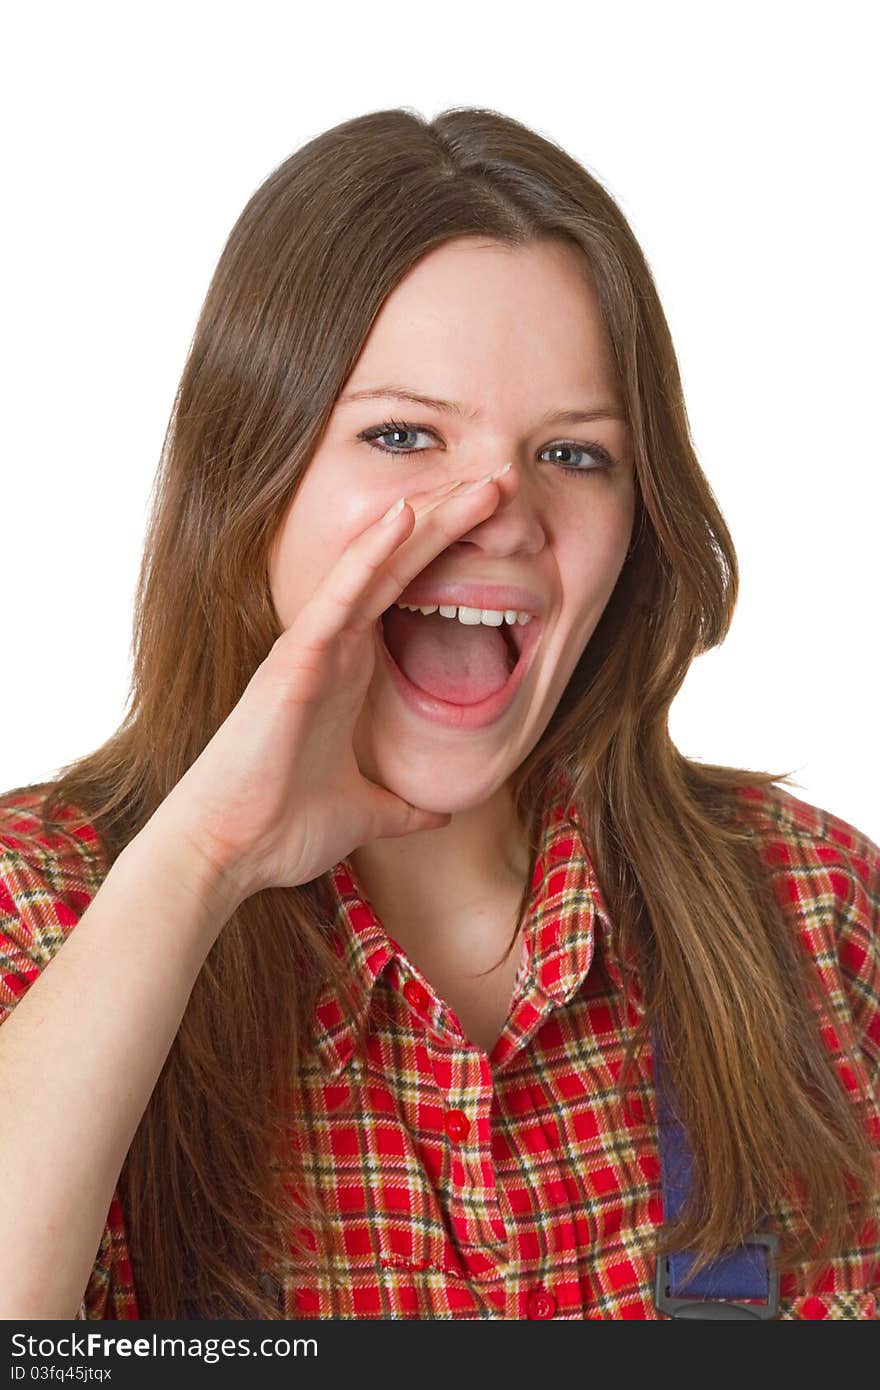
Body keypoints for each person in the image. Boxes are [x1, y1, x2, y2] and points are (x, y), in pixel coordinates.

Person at [1, 105, 877, 1323]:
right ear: (250, 479)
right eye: (403, 435)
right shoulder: (33, 909)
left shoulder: (813, 908)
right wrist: (200, 861)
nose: (496, 510)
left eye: (573, 455)